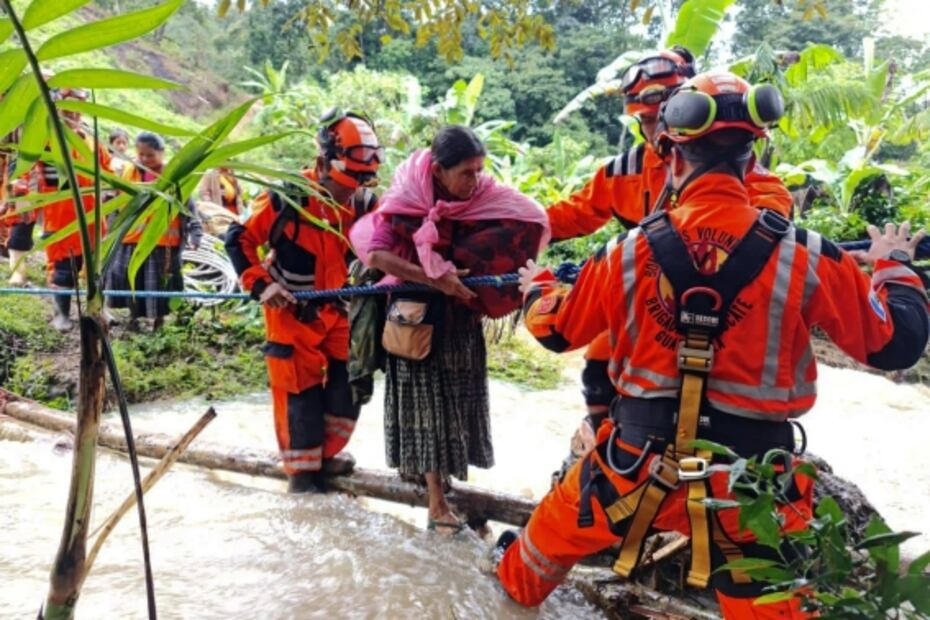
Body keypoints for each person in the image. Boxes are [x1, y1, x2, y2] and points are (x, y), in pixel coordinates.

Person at [496, 72, 929, 618]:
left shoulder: (624, 253)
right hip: (753, 493)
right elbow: (897, 345)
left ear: (673, 159)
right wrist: (894, 266)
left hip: (628, 471)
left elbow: (555, 330)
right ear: (754, 160)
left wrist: (538, 286)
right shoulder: (809, 256)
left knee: (521, 573)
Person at [545, 47, 794, 470]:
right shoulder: (624, 170)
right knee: (598, 362)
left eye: (661, 117)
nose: (655, 130)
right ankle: (610, 440)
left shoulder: (745, 172)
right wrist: (515, 225)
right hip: (651, 301)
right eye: (645, 121)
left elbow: (772, 221)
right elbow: (574, 214)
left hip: (728, 311)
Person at [350, 126, 550, 534]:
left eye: (479, 170)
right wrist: (432, 276)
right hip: (417, 325)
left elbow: (525, 220)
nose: (475, 180)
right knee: (427, 411)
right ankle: (437, 503)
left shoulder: (484, 200)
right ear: (438, 171)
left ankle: (446, 487)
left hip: (460, 324)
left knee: (456, 407)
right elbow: (377, 255)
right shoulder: (406, 201)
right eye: (465, 173)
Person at [225, 110, 382, 493]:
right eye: (347, 182)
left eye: (361, 181)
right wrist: (262, 286)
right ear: (322, 165)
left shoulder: (364, 203)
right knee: (300, 393)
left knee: (352, 383)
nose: (351, 192)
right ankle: (301, 478)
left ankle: (324, 458)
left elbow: (383, 245)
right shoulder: (285, 199)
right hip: (290, 312)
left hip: (339, 308)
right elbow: (238, 238)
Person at [27, 88, 112, 330]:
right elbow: (31, 172)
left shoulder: (94, 142)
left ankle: (99, 309)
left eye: (77, 109)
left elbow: (108, 173)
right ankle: (61, 314)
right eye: (67, 109)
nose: (73, 114)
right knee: (63, 269)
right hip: (61, 219)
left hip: (93, 219)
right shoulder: (47, 139)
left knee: (97, 269)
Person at [105, 131, 203, 331]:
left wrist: (195, 232)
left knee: (159, 284)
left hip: (162, 243)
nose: (144, 159)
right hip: (131, 240)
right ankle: (133, 318)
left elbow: (189, 207)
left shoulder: (174, 176)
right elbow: (116, 205)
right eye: (141, 154)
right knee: (130, 280)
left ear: (162, 153)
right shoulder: (127, 173)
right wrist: (111, 232)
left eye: (150, 155)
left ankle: (159, 322)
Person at [196, 167, 243, 238]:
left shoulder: (231, 172)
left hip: (234, 210)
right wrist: (210, 206)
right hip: (219, 210)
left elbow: (239, 190)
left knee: (237, 232)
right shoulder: (210, 173)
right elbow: (203, 192)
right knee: (223, 233)